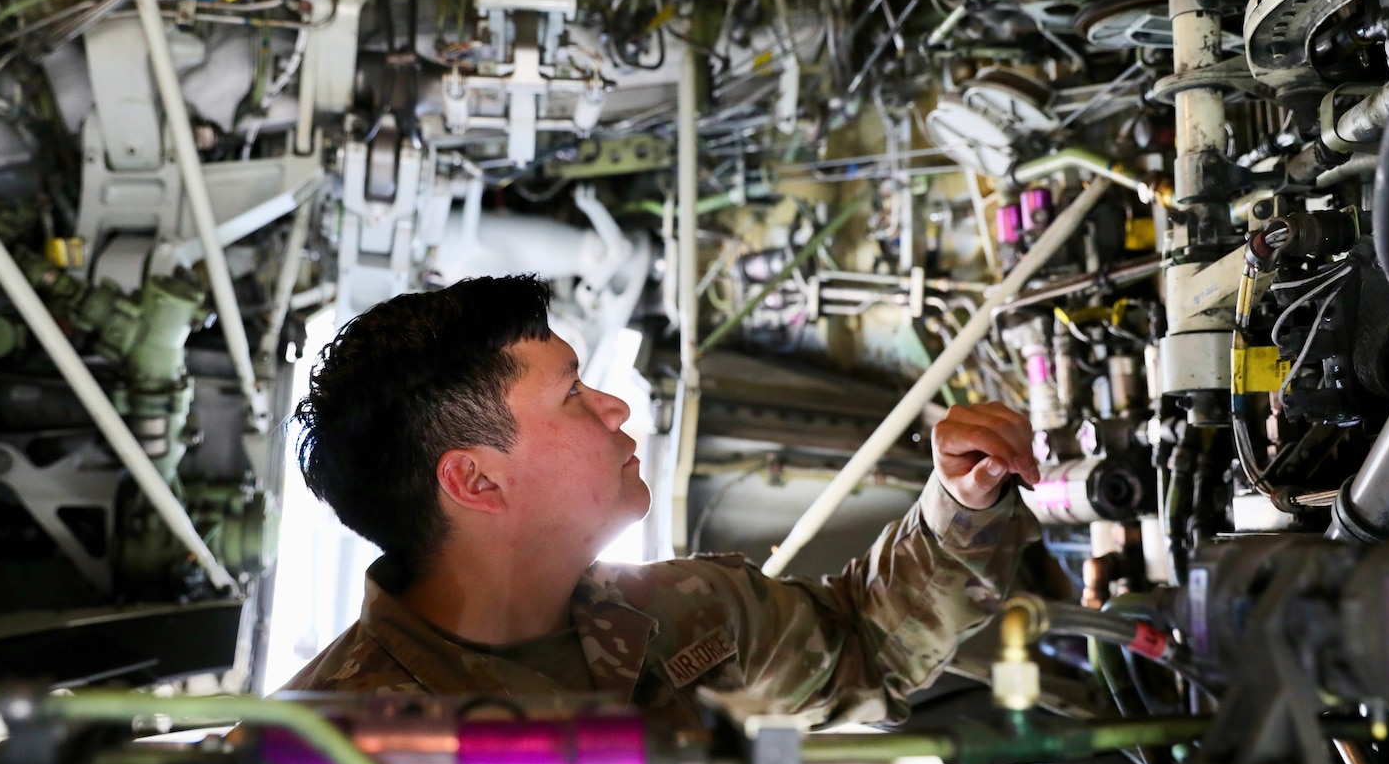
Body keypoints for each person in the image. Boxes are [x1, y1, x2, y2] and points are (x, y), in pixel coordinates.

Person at [282, 275, 1041, 730]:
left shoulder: (679, 613)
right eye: (572, 392)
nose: (614, 407)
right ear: (476, 481)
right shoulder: (313, 758)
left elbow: (865, 647)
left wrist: (960, 499)